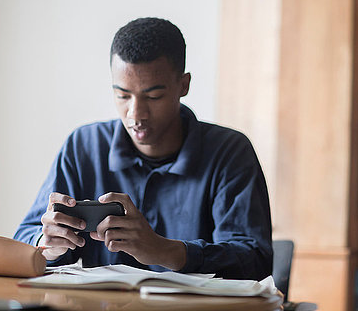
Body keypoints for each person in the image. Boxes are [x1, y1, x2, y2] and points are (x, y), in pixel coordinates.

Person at [14, 17, 273, 280]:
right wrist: (46, 246)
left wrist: (165, 251)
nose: (135, 114)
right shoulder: (84, 146)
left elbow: (255, 260)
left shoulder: (229, 151)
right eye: (123, 95)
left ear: (183, 85)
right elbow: (24, 240)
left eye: (153, 96)